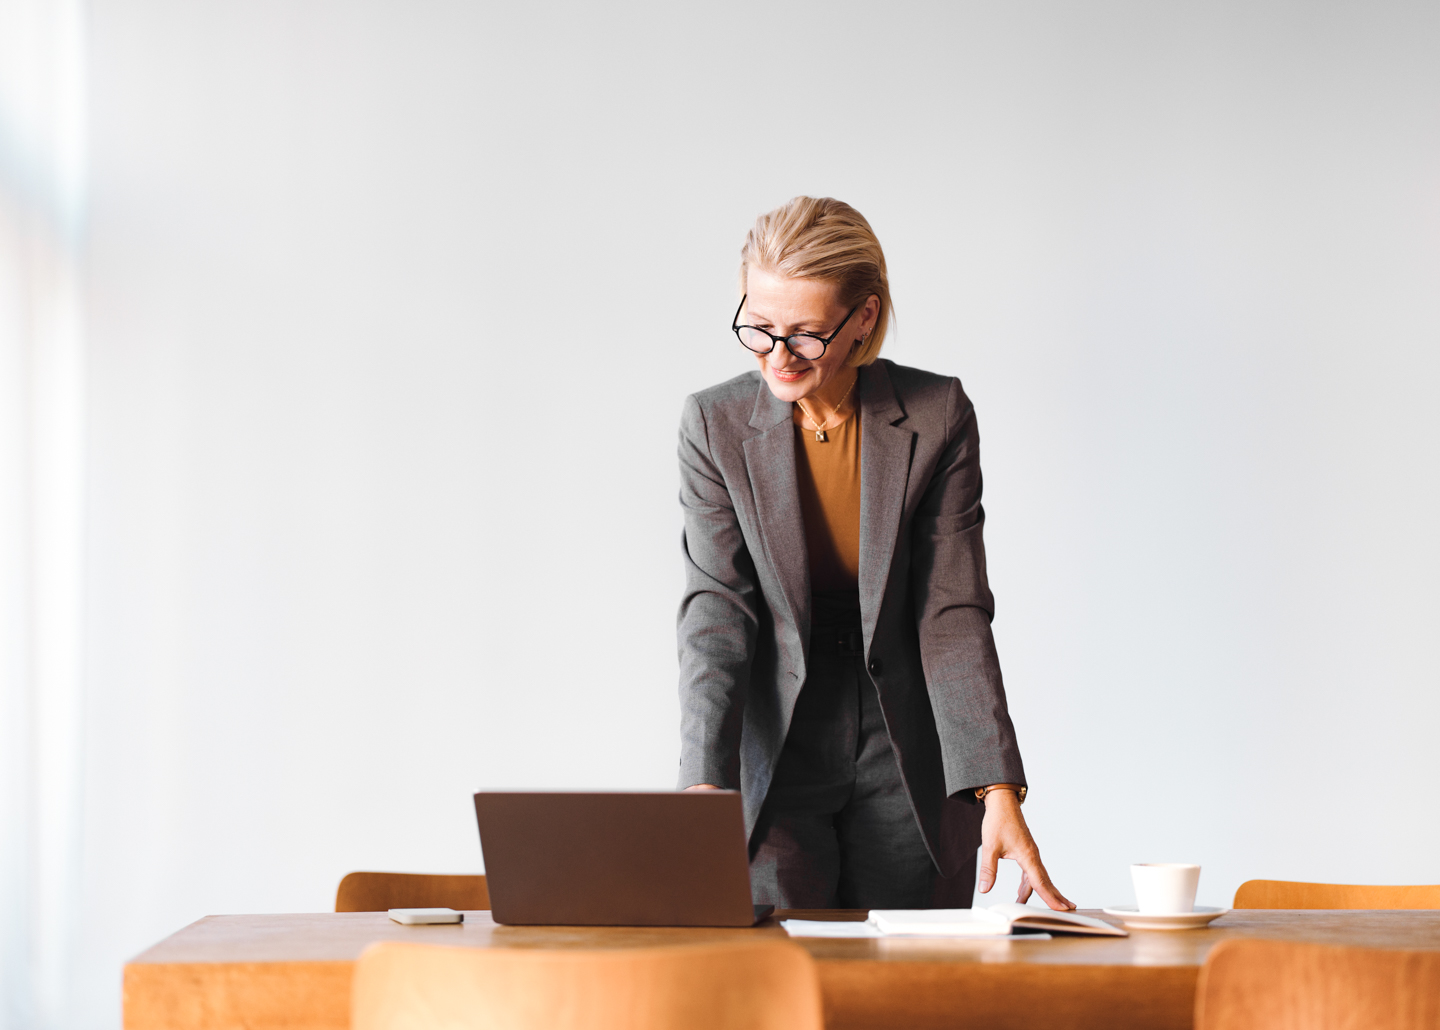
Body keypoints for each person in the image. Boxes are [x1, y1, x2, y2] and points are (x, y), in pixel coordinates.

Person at [676, 197, 1072, 911]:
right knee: (780, 994)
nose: (777, 355)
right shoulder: (714, 423)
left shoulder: (937, 414)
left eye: (804, 334)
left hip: (907, 743)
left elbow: (950, 613)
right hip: (780, 738)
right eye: (759, 328)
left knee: (907, 993)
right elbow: (718, 611)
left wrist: (998, 788)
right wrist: (703, 781)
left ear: (862, 318)